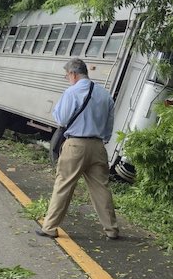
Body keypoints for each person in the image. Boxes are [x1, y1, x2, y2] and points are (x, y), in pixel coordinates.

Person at [36, 58, 119, 240]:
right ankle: (111, 229)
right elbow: (109, 125)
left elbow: (62, 119)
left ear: (73, 74)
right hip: (98, 146)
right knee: (101, 188)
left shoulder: (72, 92)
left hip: (76, 145)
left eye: (67, 76)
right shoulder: (105, 95)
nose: (67, 79)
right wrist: (102, 139)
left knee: (64, 184)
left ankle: (49, 227)